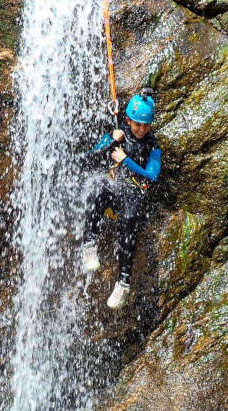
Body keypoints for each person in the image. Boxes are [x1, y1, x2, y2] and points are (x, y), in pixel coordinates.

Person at [80, 90, 162, 309]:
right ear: (128, 120)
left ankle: (123, 282)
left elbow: (152, 175)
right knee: (98, 187)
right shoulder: (119, 133)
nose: (142, 129)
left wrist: (126, 160)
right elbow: (89, 158)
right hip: (114, 191)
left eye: (146, 125)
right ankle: (89, 244)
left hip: (133, 196)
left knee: (129, 219)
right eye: (137, 124)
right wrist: (110, 142)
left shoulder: (153, 146)